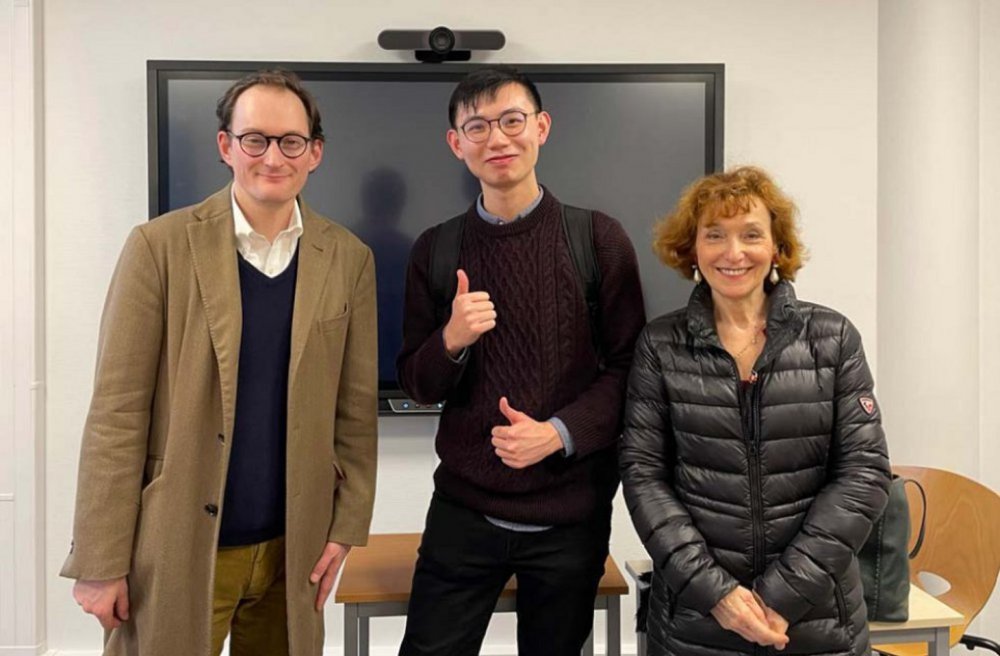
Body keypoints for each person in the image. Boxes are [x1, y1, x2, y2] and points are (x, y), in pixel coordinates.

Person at [60, 69, 378, 656]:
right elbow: (117, 412)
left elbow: (354, 411)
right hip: (180, 543)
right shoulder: (158, 247)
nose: (273, 156)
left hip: (294, 551)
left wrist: (346, 525)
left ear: (315, 153)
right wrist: (100, 559)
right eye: (254, 138)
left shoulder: (349, 258)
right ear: (226, 146)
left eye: (291, 141)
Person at [395, 65, 646, 656]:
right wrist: (451, 339)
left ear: (541, 127)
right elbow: (417, 381)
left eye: (511, 121)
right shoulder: (436, 248)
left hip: (570, 516)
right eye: (476, 127)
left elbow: (632, 370)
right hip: (463, 512)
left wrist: (558, 434)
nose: (497, 139)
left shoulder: (598, 239)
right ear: (456, 144)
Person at [620, 166, 892, 656]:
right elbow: (644, 476)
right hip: (695, 624)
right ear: (693, 249)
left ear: (776, 248)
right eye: (715, 235)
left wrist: (781, 597)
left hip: (817, 621)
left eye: (751, 235)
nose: (733, 252)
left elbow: (864, 475)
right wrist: (718, 595)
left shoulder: (833, 338)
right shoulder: (660, 345)